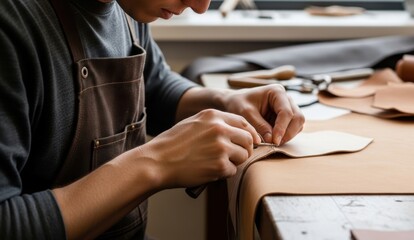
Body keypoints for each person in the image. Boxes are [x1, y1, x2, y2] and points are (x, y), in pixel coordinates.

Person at [0, 0, 304, 239]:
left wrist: (226, 102)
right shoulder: (11, 23)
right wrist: (157, 162)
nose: (200, 6)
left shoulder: (126, 9)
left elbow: (154, 85)